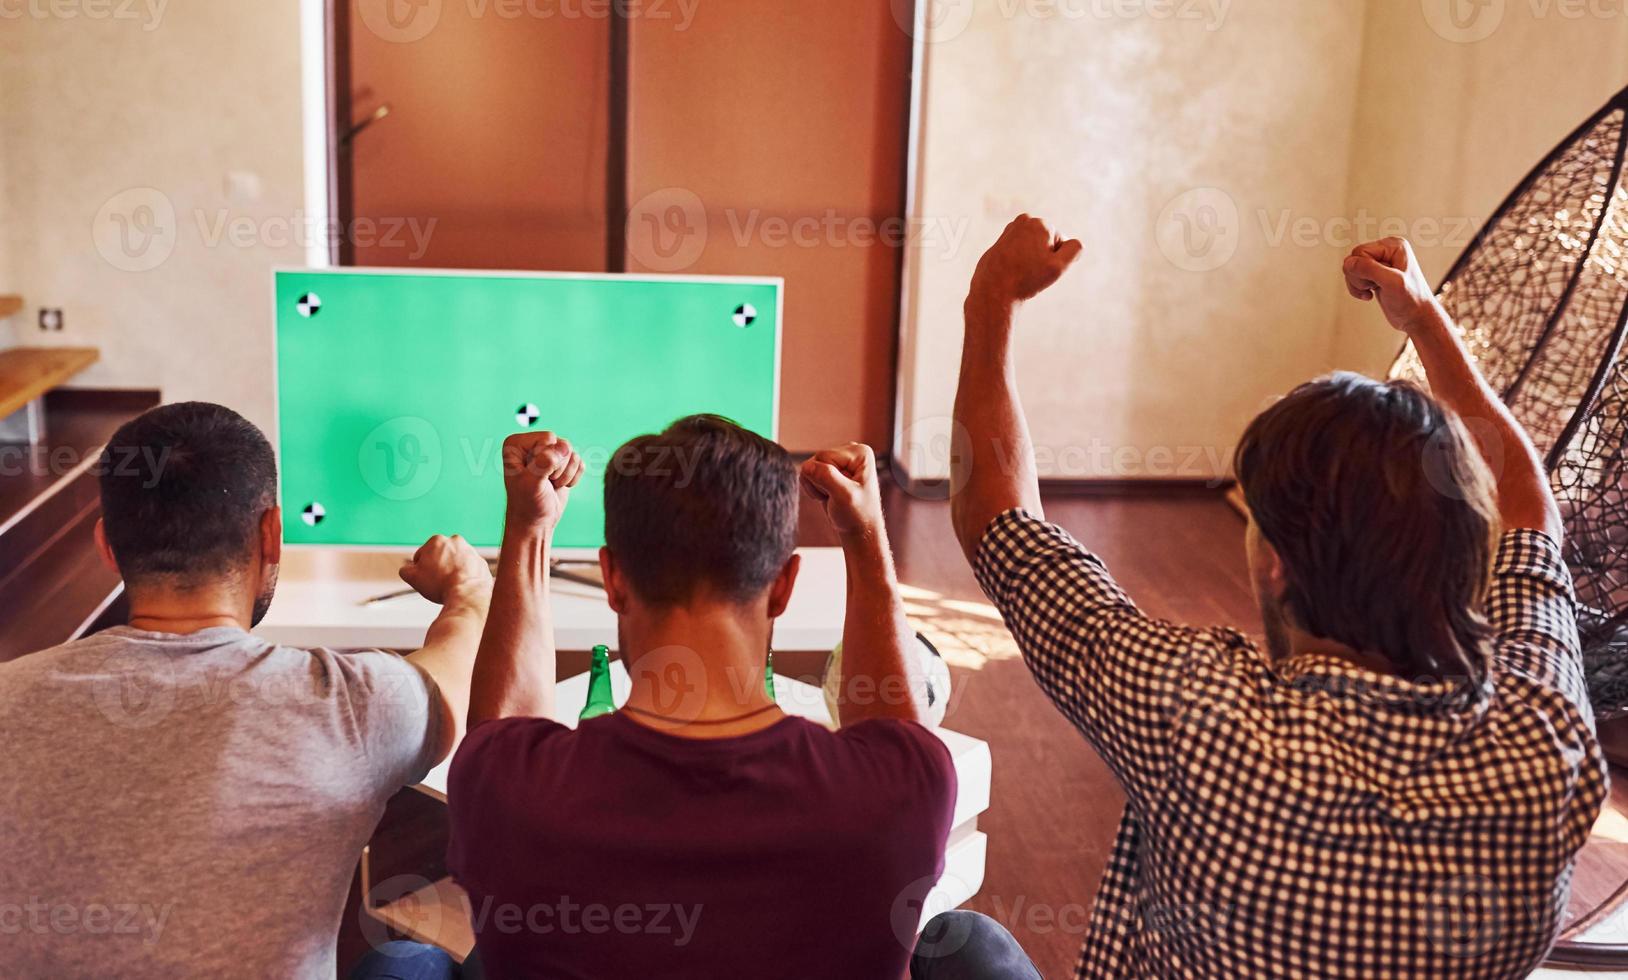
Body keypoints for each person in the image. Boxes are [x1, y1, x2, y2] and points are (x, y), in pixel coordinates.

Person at [948, 219, 1608, 977]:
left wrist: (992, 298)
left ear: (1274, 568)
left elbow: (999, 523)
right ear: (1463, 551)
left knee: (961, 946)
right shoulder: (1545, 738)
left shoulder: (1195, 717)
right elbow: (1531, 508)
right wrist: (1423, 319)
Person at [436, 415, 957, 979]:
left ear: (612, 581)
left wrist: (529, 531)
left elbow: (501, 729)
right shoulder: (902, 791)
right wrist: (864, 539)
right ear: (784, 586)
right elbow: (898, 733)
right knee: (968, 938)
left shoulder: (507, 789)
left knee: (410, 961)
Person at [0, 402, 494, 979]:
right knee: (412, 962)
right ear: (271, 535)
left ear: (107, 545)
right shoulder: (353, 705)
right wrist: (469, 588)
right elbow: (457, 678)